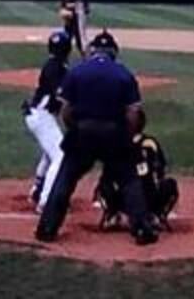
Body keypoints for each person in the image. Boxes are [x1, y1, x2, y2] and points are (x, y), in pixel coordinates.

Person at [35, 30, 159, 246]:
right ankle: (141, 229)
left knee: (65, 178)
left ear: (92, 50)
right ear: (114, 52)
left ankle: (47, 228)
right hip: (113, 132)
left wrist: (75, 130)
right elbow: (132, 115)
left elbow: (66, 110)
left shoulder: (77, 71)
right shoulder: (124, 74)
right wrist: (126, 137)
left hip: (83, 131)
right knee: (129, 180)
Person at [23, 30, 73, 209]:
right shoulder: (56, 68)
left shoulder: (54, 65)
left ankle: (38, 189)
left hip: (39, 115)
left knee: (50, 151)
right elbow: (60, 95)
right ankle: (46, 202)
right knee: (61, 155)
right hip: (41, 116)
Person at [95, 127, 179, 234]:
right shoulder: (150, 142)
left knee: (104, 184)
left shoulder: (117, 144)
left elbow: (108, 174)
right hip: (151, 197)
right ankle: (156, 215)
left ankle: (113, 213)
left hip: (125, 199)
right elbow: (161, 169)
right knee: (170, 184)